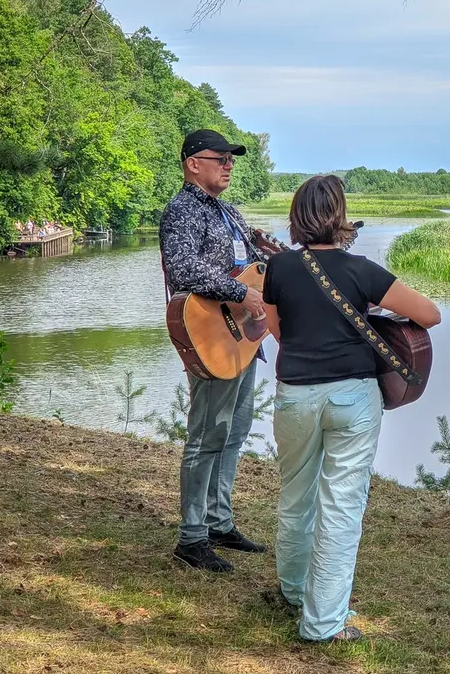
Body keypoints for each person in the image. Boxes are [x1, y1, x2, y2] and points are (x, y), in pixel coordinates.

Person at [261, 175, 440, 643]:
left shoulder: (278, 269)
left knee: (295, 495)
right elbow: (430, 314)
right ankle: (323, 623)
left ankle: (293, 590)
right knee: (341, 506)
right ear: (339, 216)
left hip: (295, 394)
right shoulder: (361, 270)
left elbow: (279, 333)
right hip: (353, 399)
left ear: (297, 217)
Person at [159, 129, 269, 573]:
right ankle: (191, 538)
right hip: (211, 337)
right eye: (219, 157)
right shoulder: (183, 211)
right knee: (207, 436)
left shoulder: (229, 213)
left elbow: (252, 265)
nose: (228, 163)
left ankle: (219, 522)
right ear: (192, 163)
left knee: (235, 430)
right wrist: (238, 294)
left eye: (231, 158)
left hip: (240, 337)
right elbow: (184, 267)